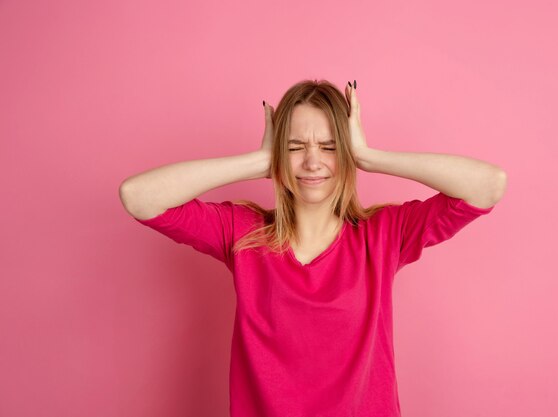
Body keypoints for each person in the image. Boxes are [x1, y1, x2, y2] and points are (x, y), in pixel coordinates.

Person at [119, 79, 507, 417]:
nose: (311, 162)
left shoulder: (384, 234)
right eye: (294, 147)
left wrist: (371, 157)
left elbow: (488, 185)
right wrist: (257, 161)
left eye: (329, 146)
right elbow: (138, 196)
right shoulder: (242, 234)